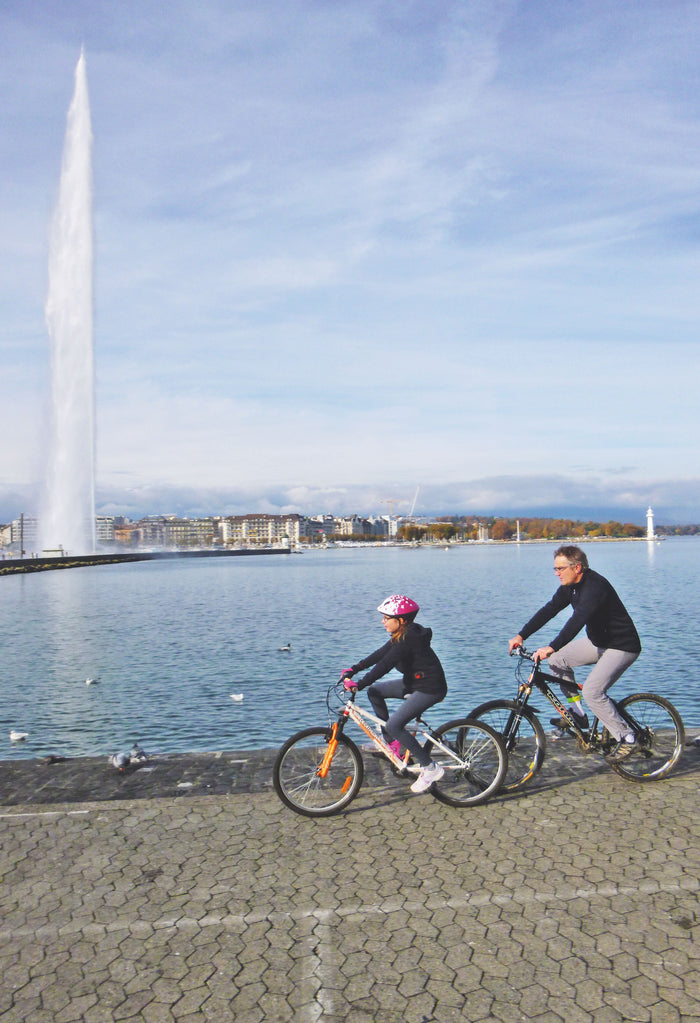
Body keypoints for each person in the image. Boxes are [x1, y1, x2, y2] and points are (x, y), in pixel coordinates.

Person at [508, 545, 642, 762]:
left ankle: (628, 737)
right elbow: (549, 610)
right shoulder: (569, 587)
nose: (556, 573)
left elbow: (577, 621)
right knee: (557, 660)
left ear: (577, 567)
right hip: (599, 643)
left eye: (560, 569)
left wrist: (551, 646)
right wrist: (521, 635)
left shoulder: (595, 587)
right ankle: (578, 714)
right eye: (555, 569)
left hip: (622, 646)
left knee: (592, 692)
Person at [341, 594, 448, 793]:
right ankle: (391, 744)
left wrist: (360, 684)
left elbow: (385, 665)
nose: (383, 621)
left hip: (429, 688)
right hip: (414, 683)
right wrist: (354, 669)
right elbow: (380, 654)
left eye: (386, 618)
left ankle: (430, 768)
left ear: (402, 620)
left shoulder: (409, 639)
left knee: (394, 724)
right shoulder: (401, 635)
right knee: (375, 692)